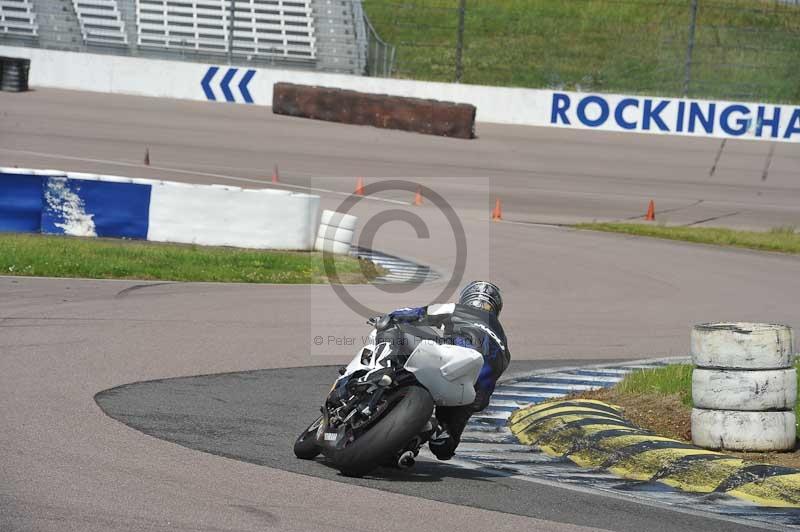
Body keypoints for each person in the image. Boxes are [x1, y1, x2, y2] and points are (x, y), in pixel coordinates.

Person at [383, 280, 510, 461]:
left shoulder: (459, 309)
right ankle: (429, 432)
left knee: (397, 333)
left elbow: (418, 313)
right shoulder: (504, 345)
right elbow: (483, 398)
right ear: (496, 308)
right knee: (443, 448)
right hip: (469, 391)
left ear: (467, 298)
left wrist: (390, 317)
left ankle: (383, 376)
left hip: (450, 355)